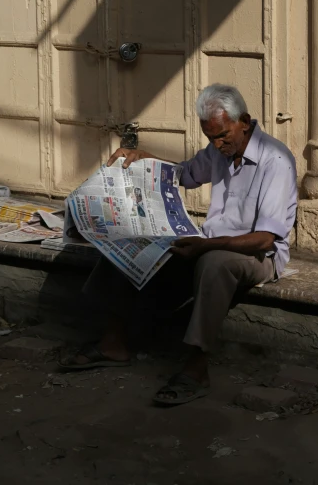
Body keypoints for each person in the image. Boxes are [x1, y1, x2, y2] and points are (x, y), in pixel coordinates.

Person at [61, 83, 297, 405]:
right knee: (131, 243)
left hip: (255, 253)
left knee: (214, 264)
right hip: (210, 242)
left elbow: (265, 237)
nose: (217, 143)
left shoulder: (276, 160)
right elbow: (184, 175)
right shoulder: (219, 149)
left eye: (223, 135)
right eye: (211, 137)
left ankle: (197, 367)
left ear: (244, 121)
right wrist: (144, 160)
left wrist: (206, 247)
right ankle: (113, 343)